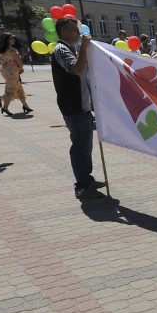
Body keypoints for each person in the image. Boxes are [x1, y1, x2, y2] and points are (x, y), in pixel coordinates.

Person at [50, 14, 105, 200]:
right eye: (74, 30)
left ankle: (86, 179)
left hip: (83, 105)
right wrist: (84, 48)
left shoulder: (73, 48)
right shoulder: (61, 49)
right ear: (63, 31)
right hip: (73, 107)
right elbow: (78, 70)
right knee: (80, 146)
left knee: (86, 146)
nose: (78, 33)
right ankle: (81, 185)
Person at [0, 34, 32, 116]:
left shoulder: (2, 50)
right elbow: (19, 62)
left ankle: (25, 106)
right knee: (10, 89)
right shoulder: (12, 50)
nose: (13, 39)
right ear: (7, 40)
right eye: (11, 38)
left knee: (18, 87)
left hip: (4, 71)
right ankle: (5, 107)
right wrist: (21, 68)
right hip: (12, 71)